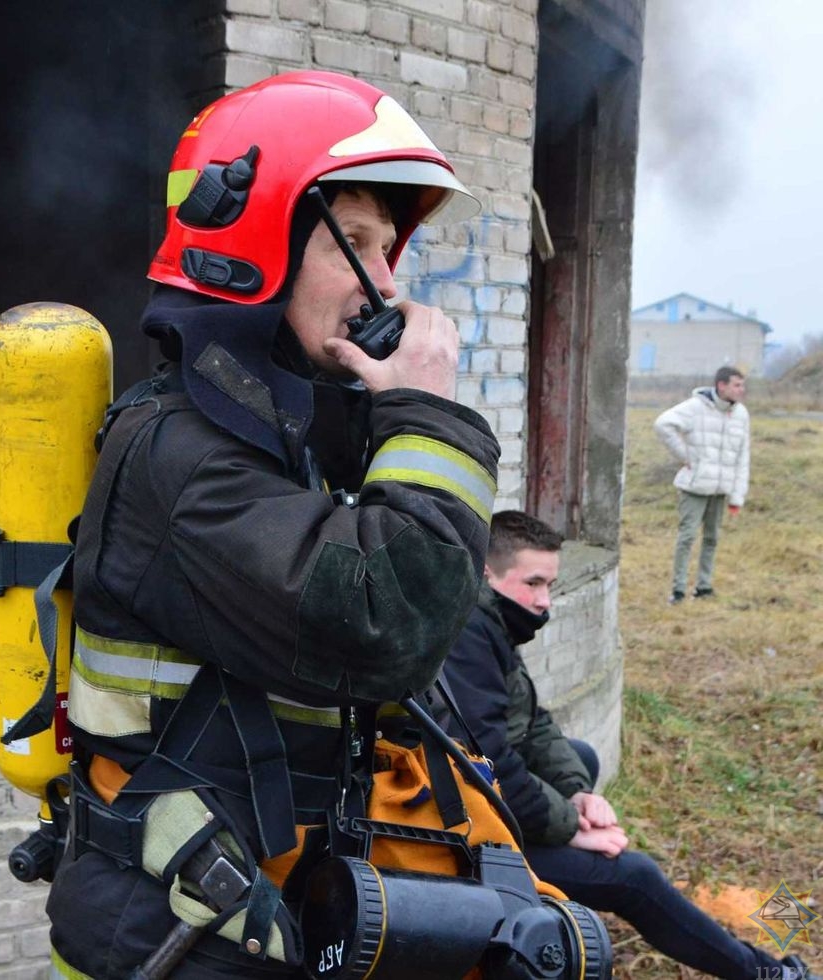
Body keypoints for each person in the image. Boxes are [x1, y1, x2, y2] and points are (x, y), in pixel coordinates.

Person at [44, 71, 500, 978]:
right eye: (354, 245)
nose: (383, 286)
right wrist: (427, 415)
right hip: (171, 934)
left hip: (250, 901)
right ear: (256, 244)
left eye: (388, 248)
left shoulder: (273, 437)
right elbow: (386, 621)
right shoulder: (180, 457)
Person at [441, 510, 813, 980]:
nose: (543, 601)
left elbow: (532, 722)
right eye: (533, 583)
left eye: (550, 585)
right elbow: (486, 764)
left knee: (583, 758)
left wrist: (579, 793)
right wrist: (572, 828)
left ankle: (563, 880)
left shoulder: (491, 615)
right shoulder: (467, 635)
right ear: (488, 571)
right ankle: (764, 973)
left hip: (485, 799)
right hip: (460, 834)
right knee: (634, 876)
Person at [654, 366, 750, 604]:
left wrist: (737, 497)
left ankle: (704, 587)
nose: (741, 390)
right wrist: (686, 457)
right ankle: (678, 590)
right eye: (737, 385)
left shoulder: (741, 414)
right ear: (722, 385)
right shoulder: (695, 408)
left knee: (712, 538)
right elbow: (663, 424)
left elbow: (743, 456)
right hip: (695, 487)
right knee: (687, 537)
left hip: (720, 490)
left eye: (742, 385)